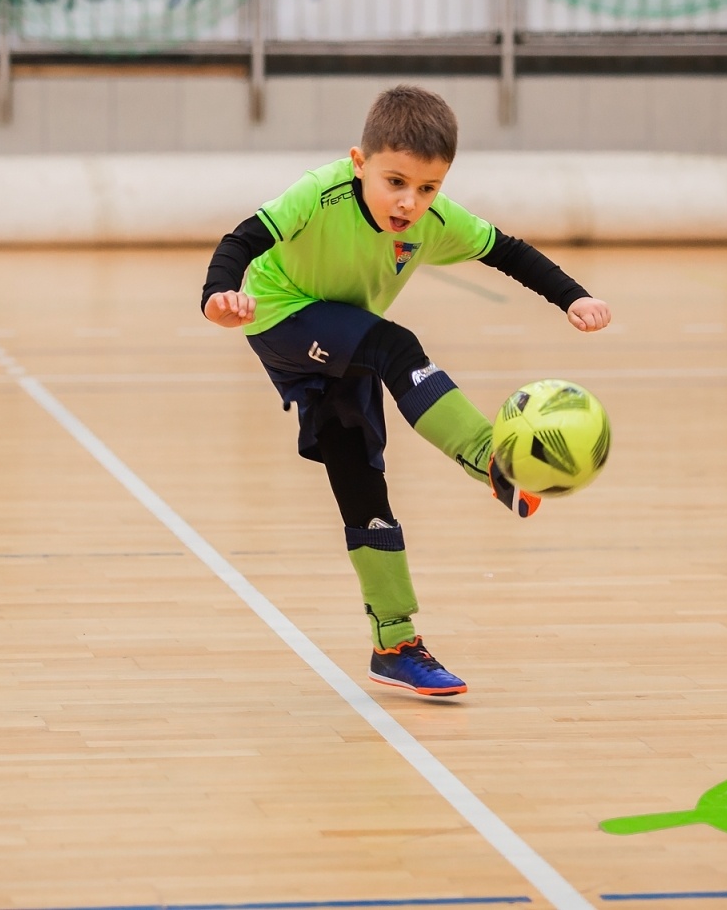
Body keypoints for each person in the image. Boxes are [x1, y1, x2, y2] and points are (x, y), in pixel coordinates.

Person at [199, 85, 611, 696]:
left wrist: (572, 295)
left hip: (345, 338)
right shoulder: (322, 191)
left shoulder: (434, 222)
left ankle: (393, 642)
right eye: (395, 182)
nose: (410, 202)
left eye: (427, 188)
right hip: (281, 315)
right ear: (359, 163)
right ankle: (491, 457)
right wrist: (218, 297)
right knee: (396, 346)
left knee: (362, 480)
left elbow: (509, 252)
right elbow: (243, 238)